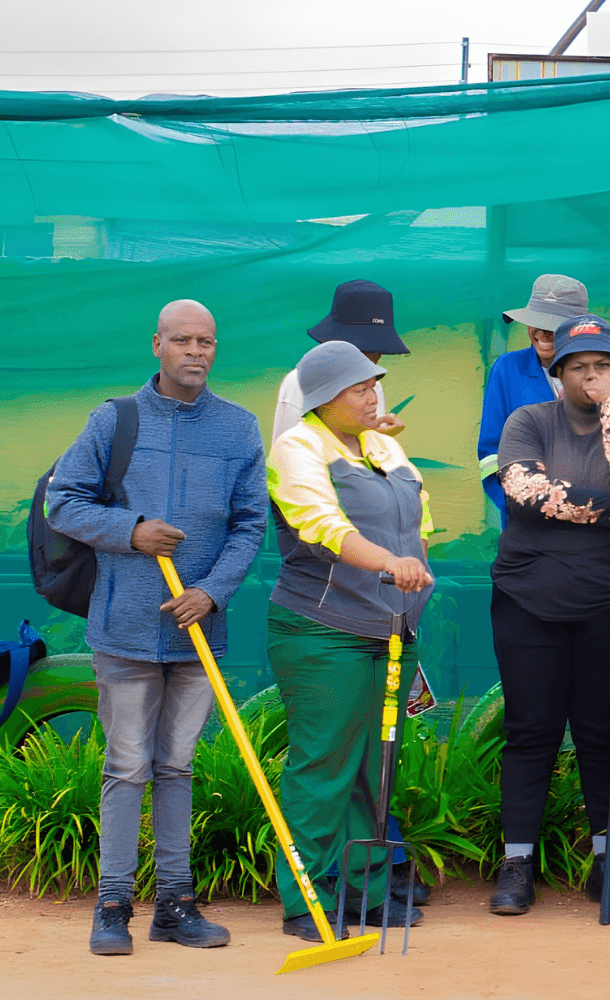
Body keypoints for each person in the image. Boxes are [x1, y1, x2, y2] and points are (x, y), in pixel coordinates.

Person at [49, 300, 269, 957]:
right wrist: (131, 532)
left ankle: (176, 905)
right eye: (182, 340)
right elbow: (64, 499)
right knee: (127, 766)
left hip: (198, 634)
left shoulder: (238, 429)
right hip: (123, 629)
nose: (195, 351)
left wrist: (211, 591)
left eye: (206, 341)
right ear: (157, 345)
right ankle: (112, 903)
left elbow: (250, 524)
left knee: (177, 766)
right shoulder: (114, 420)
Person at [486, 315, 610, 917]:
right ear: (557, 373)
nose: (592, 376)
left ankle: (606, 860)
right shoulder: (528, 421)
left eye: (603, 366)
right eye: (579, 366)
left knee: (600, 734)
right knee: (531, 730)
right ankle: (517, 863)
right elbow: (528, 493)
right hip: (527, 601)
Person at [265, 340, 434, 942]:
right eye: (360, 388)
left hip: (391, 629)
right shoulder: (295, 449)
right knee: (324, 765)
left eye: (373, 386)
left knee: (375, 766)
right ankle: (306, 901)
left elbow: (418, 522)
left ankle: (366, 894)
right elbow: (324, 528)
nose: (372, 396)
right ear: (325, 398)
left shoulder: (383, 445)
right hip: (323, 633)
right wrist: (391, 564)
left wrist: (408, 577)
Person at [478, 274, 610, 513]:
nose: (542, 334)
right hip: (529, 523)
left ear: (578, 330)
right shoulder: (507, 369)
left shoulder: (606, 370)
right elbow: (491, 454)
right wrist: (523, 507)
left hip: (598, 522)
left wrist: (607, 507)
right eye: (535, 323)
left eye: (554, 326)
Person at [271, 279, 408, 441]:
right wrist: (374, 437)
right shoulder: (299, 383)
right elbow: (286, 456)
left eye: (378, 348)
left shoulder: (373, 386)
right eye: (365, 349)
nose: (376, 357)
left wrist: (378, 438)